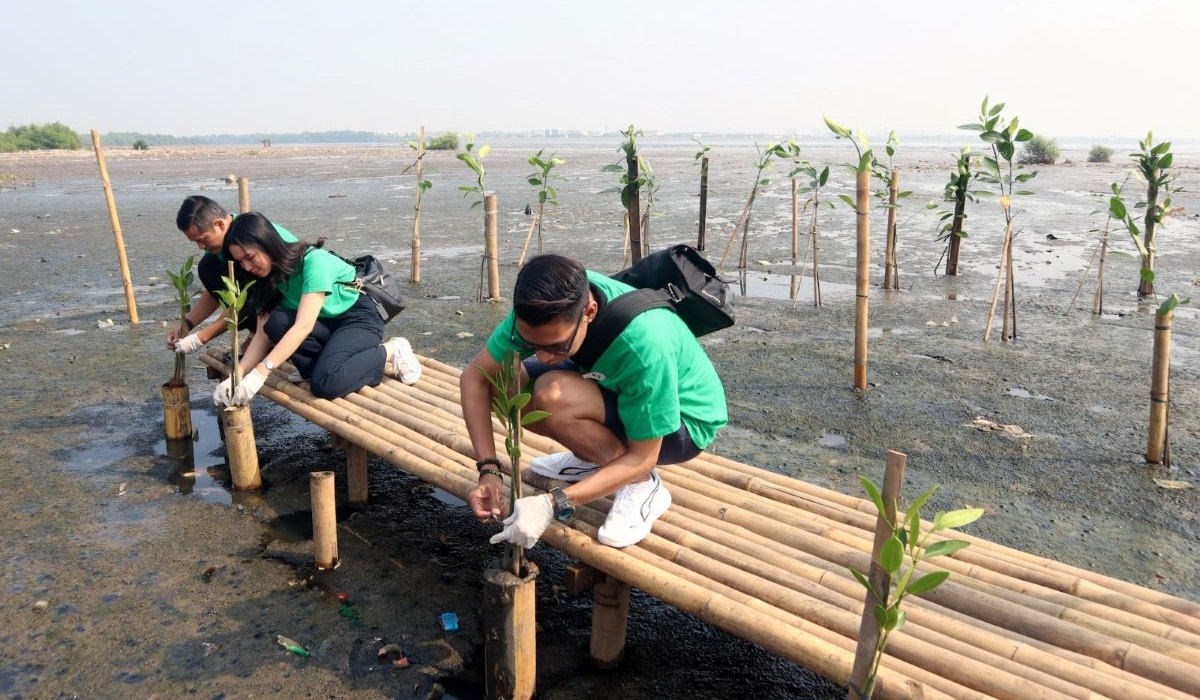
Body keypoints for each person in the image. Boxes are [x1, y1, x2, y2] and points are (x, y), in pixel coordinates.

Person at [461, 254, 727, 549]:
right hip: (609, 381)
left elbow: (644, 456)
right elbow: (475, 377)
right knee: (503, 384)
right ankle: (595, 453)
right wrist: (488, 470)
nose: (543, 356)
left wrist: (553, 502)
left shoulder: (646, 343)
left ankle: (642, 485)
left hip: (683, 425)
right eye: (532, 345)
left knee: (551, 393)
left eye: (557, 345)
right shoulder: (539, 306)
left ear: (589, 311)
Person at [209, 212, 421, 404]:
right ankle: (323, 366)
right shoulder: (268, 277)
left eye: (250, 257)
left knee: (326, 385)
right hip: (325, 322)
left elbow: (303, 327)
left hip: (358, 316)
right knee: (276, 323)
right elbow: (263, 334)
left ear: (267, 243)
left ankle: (393, 348)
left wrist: (260, 373)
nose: (247, 267)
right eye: (240, 262)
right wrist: (236, 377)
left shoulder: (314, 262)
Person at [166, 195, 298, 354]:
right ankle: (257, 333)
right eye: (195, 242)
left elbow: (246, 299)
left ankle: (266, 338)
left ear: (219, 224)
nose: (200, 247)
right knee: (207, 266)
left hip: (291, 307)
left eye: (202, 239)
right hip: (261, 300)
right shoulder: (222, 247)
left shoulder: (249, 238)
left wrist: (201, 338)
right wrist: (186, 324)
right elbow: (219, 291)